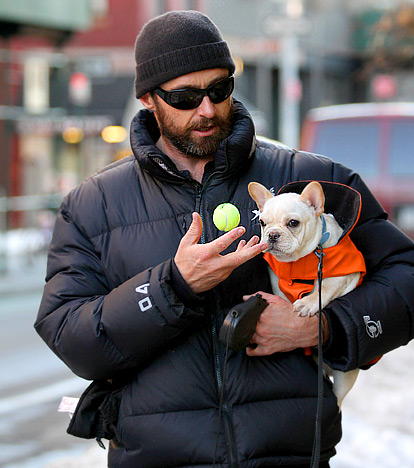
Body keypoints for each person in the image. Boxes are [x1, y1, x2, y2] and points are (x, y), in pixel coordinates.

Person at [35, 10, 414, 468]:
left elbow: (405, 279)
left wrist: (321, 327)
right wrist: (171, 287)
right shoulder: (92, 205)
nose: (208, 109)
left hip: (290, 454)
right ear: (148, 99)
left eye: (219, 90)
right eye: (185, 96)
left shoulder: (314, 178)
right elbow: (70, 336)